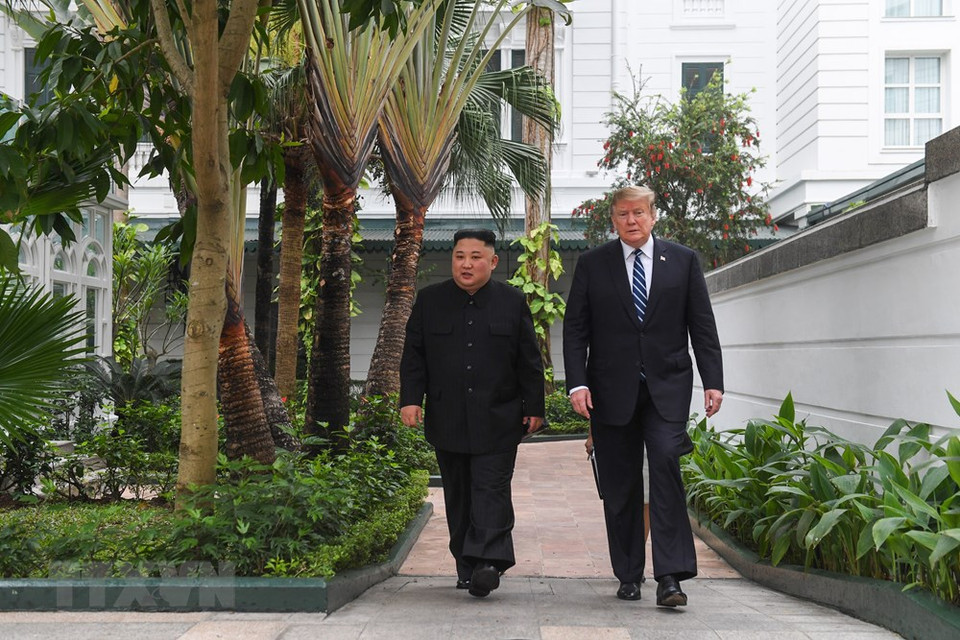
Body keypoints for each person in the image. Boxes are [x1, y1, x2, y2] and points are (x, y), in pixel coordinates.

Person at [563, 184, 723, 607]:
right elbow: (576, 328)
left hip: (667, 388)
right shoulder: (593, 265)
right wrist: (577, 383)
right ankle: (629, 574)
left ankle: (670, 576)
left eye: (638, 212)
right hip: (609, 391)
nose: (631, 220)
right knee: (620, 482)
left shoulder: (683, 261)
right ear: (612, 219)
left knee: (667, 462)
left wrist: (713, 381)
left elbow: (702, 326)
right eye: (622, 214)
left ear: (653, 216)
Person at [400, 228, 545, 598]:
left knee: (491, 489)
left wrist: (535, 408)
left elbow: (529, 360)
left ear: (492, 262)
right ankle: (467, 566)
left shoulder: (512, 302)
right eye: (459, 256)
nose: (466, 264)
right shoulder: (429, 301)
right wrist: (410, 399)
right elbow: (414, 356)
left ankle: (488, 563)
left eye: (476, 257)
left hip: (499, 417)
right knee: (459, 494)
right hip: (447, 418)